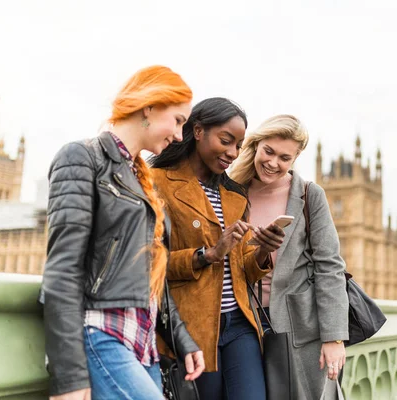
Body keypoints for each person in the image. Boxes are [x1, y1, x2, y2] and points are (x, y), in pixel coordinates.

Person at [42, 66, 205, 400]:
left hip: (141, 343)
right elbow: (62, 270)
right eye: (177, 120)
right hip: (100, 333)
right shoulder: (83, 158)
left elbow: (148, 276)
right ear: (149, 106)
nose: (179, 135)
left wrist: (181, 338)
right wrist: (69, 377)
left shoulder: (141, 179)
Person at [149, 98, 285, 400]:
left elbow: (243, 270)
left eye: (238, 145)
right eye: (226, 141)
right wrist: (207, 254)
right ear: (197, 130)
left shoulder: (235, 196)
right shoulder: (158, 184)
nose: (233, 154)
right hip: (190, 326)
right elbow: (150, 264)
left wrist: (263, 252)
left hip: (240, 325)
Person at [230, 114, 349, 399]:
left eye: (284, 157)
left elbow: (329, 266)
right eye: (268, 152)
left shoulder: (309, 195)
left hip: (297, 325)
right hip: (241, 320)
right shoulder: (231, 189)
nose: (273, 163)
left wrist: (333, 337)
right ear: (255, 145)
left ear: (294, 160)